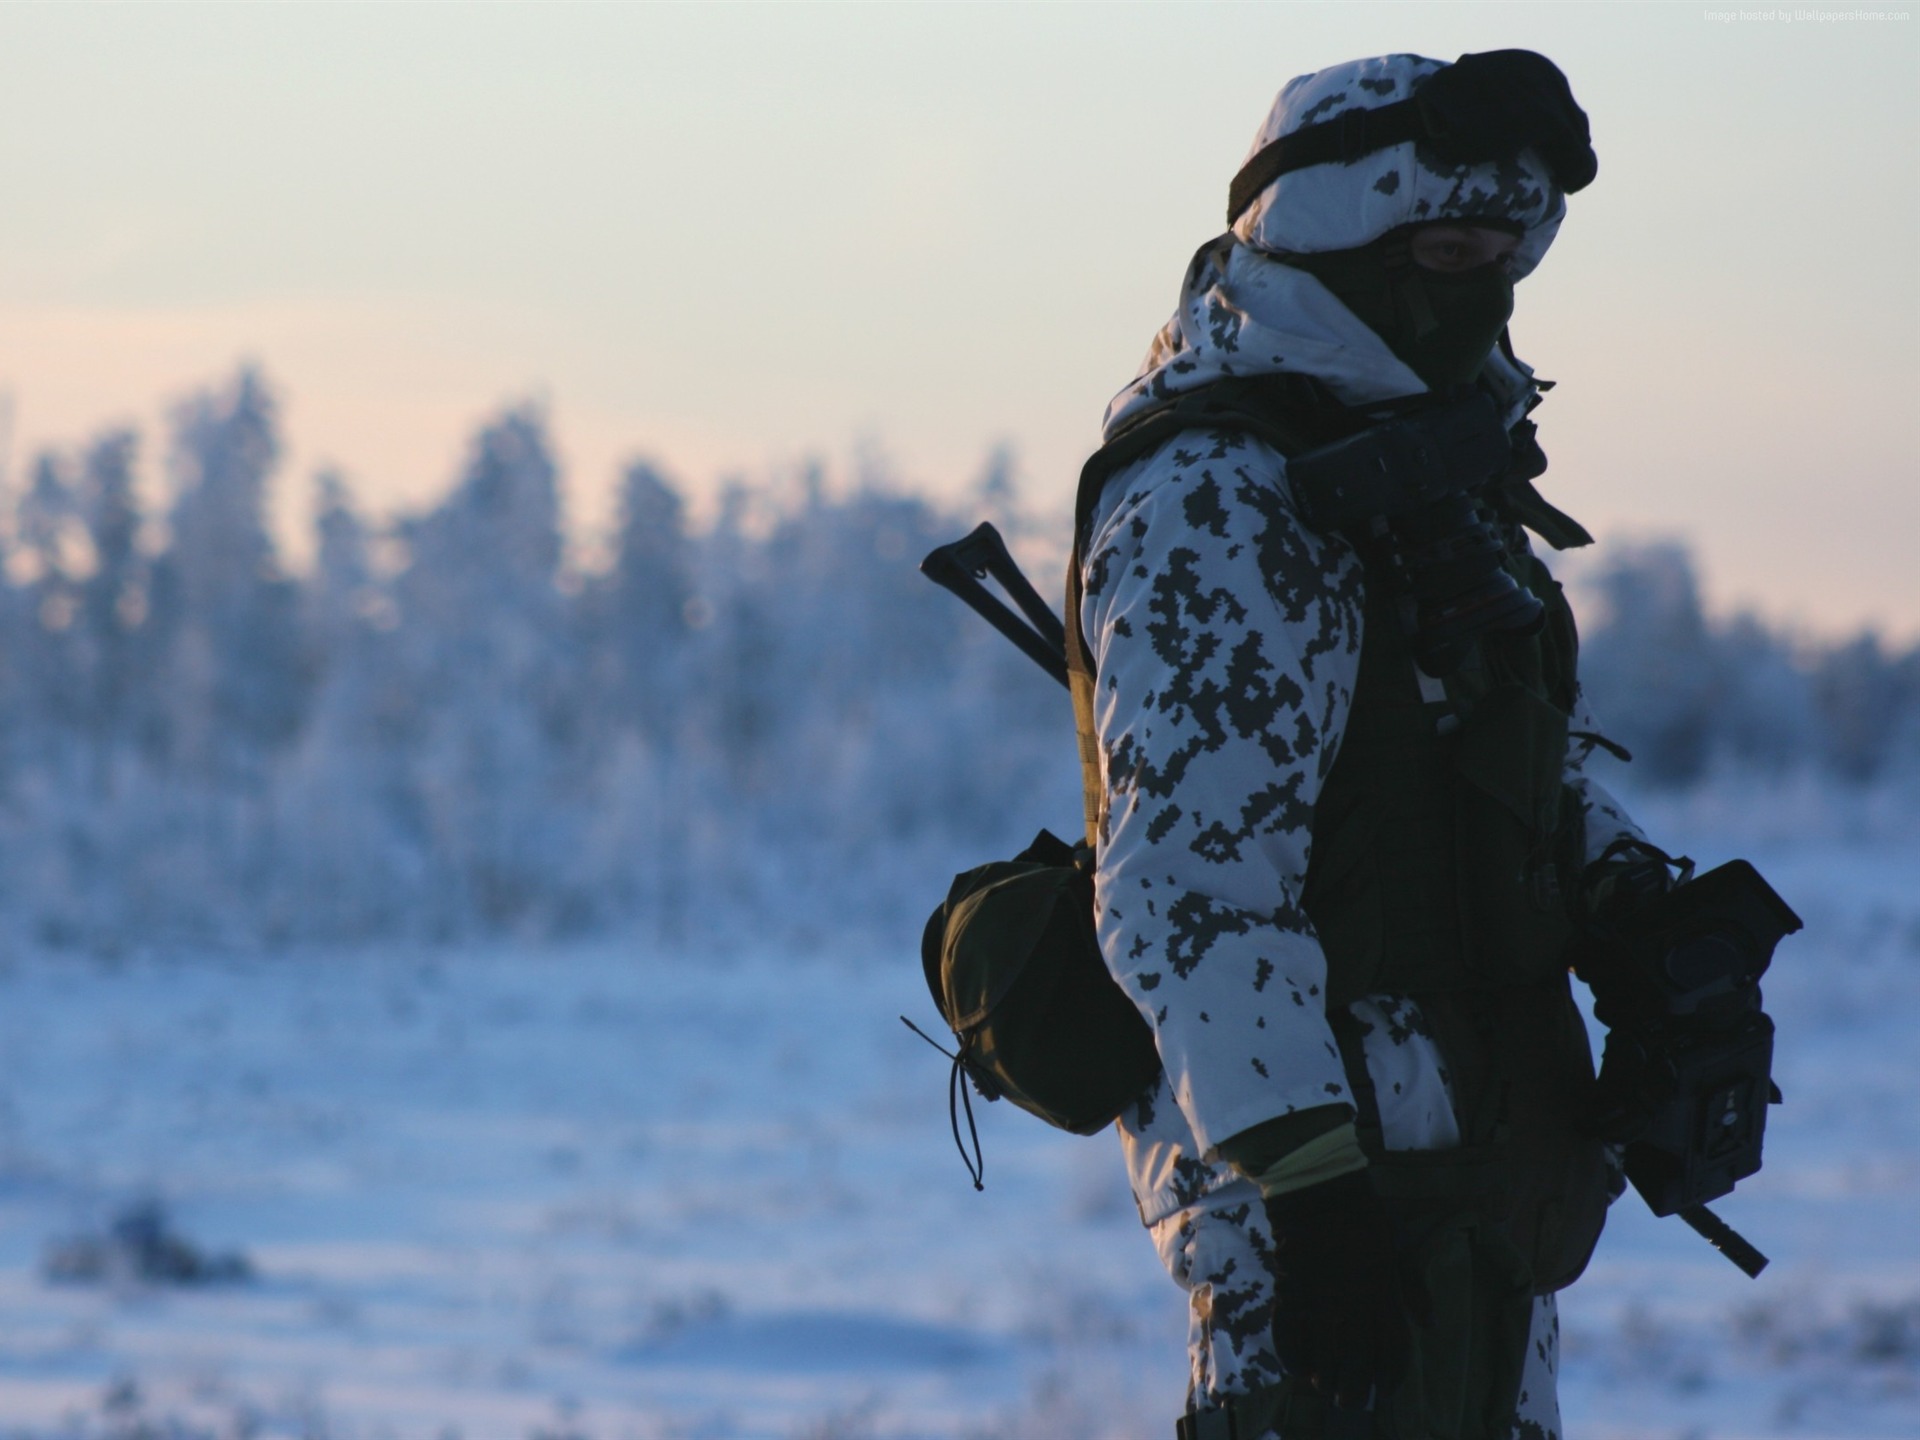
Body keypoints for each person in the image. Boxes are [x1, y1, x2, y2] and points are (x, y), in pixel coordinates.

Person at [1068, 52, 1652, 1440]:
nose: (1485, 292)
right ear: (1337, 239)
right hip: (1312, 1207)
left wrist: (1643, 913)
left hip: (1482, 1172)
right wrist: (1312, 1190)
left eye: (1507, 256)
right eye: (1449, 253)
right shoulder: (1220, 500)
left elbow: (1524, 761)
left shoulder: (1435, 474)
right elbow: (1187, 886)